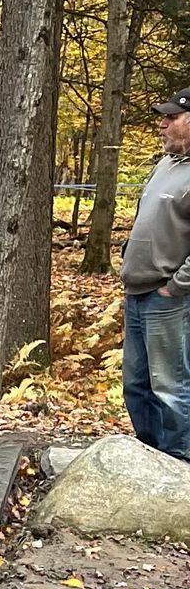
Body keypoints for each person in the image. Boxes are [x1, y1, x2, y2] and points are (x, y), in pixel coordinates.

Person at [120, 90, 190, 465]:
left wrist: (175, 286)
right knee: (136, 384)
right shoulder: (165, 165)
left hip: (168, 298)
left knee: (171, 387)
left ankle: (179, 464)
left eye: (170, 118)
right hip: (137, 292)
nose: (161, 124)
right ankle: (149, 458)